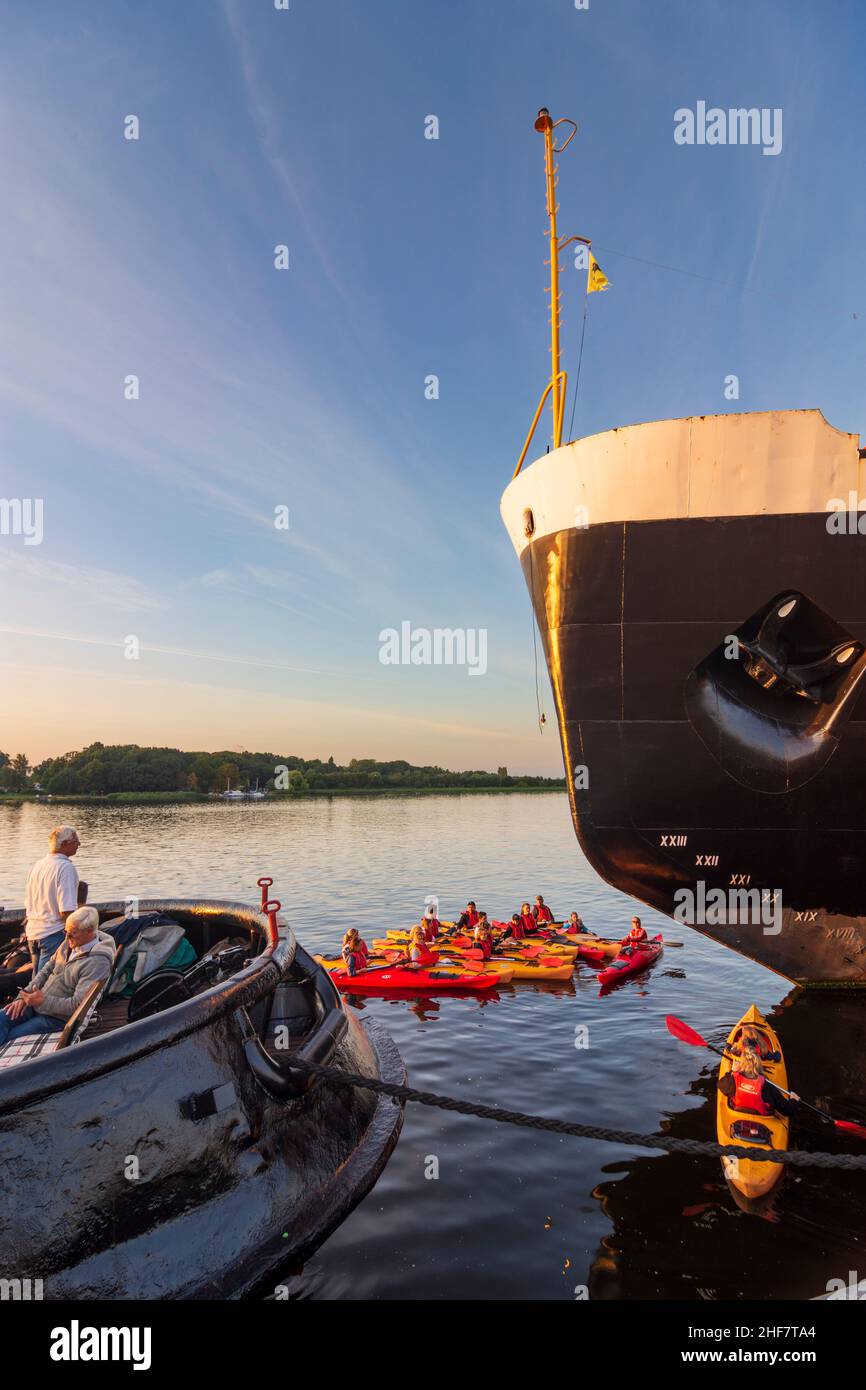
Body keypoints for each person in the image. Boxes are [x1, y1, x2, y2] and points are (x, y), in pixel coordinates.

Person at [0, 907, 115, 1048]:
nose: (66, 938)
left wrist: (42, 1001)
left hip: (56, 1019)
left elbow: (77, 1006)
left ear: (90, 932)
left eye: (72, 934)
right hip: (37, 1004)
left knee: (10, 1037)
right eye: (65, 932)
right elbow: (45, 971)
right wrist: (23, 997)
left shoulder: (97, 962)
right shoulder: (69, 942)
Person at [23, 825, 83, 977]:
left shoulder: (38, 865)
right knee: (44, 984)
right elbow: (66, 911)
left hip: (33, 932)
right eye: (76, 841)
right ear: (65, 844)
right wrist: (78, 936)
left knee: (36, 979)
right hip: (52, 933)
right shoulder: (65, 868)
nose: (79, 844)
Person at [718, 1042, 801, 1118]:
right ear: (758, 1063)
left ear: (742, 1063)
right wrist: (794, 1100)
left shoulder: (732, 1080)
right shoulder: (767, 1086)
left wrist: (732, 1071)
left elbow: (720, 1085)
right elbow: (789, 1111)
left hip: (738, 1113)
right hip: (762, 1117)